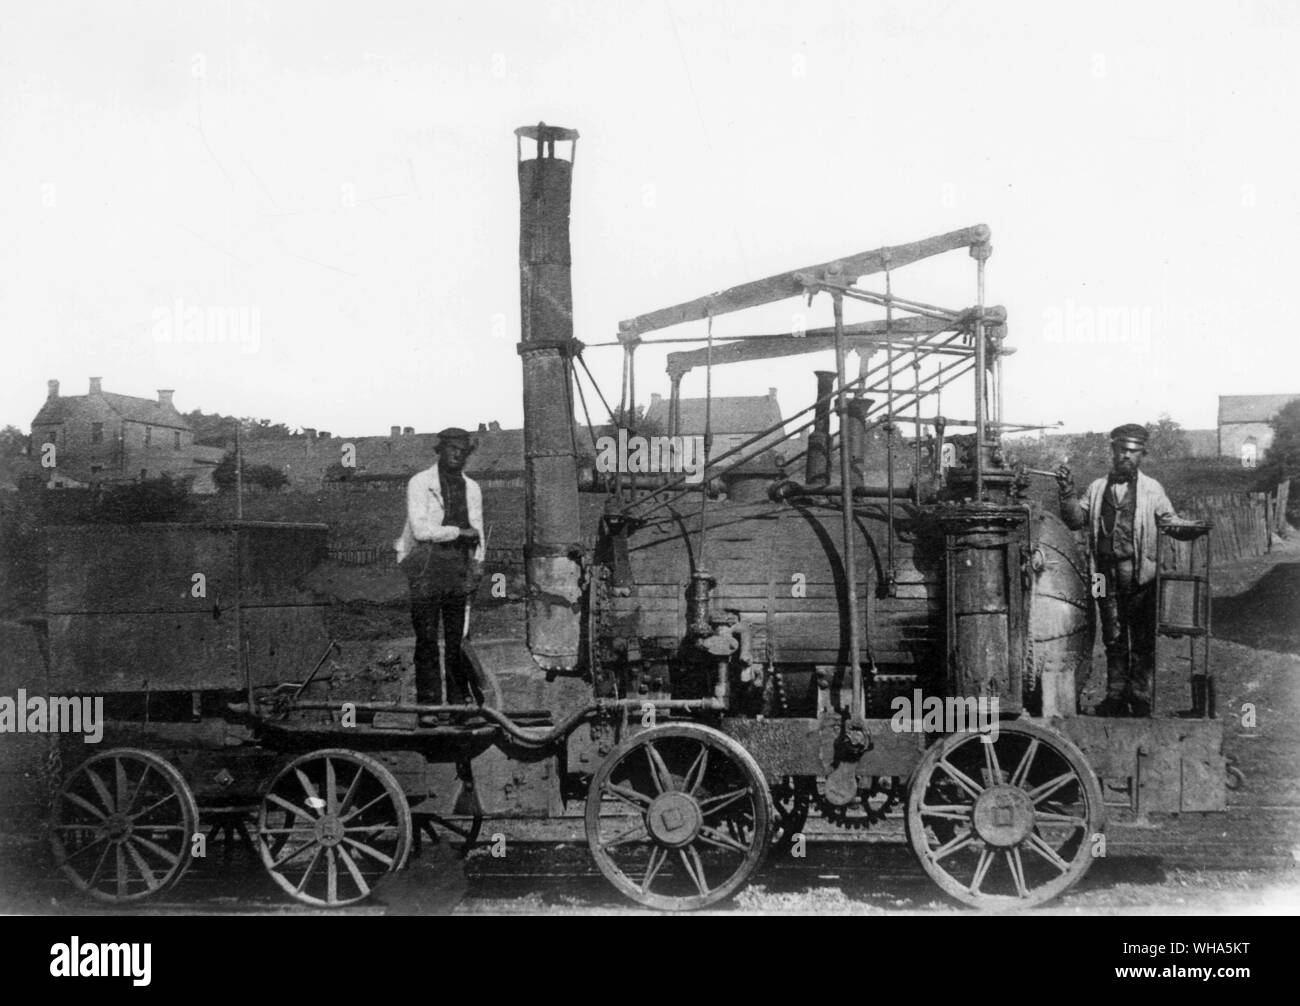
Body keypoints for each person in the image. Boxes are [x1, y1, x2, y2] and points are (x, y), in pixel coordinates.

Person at [1056, 424, 1185, 718]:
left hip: (1141, 576)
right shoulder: (1097, 488)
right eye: (1120, 450)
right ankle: (1115, 696)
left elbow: (1170, 520)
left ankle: (1140, 697)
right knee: (1112, 637)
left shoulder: (1153, 490)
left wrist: (1189, 528)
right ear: (1112, 451)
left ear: (1142, 455)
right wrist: (1066, 491)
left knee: (1141, 639)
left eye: (1132, 452)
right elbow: (1076, 520)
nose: (1125, 456)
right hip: (1102, 575)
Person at [394, 428, 486, 724]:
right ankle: (429, 709)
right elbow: (421, 530)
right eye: (452, 448)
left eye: (463, 450)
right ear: (440, 450)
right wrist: (458, 532)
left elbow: (479, 530)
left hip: (457, 568)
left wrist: (478, 565)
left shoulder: (472, 487)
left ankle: (459, 706)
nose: (457, 454)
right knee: (427, 640)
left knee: (457, 639)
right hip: (426, 567)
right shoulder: (420, 483)